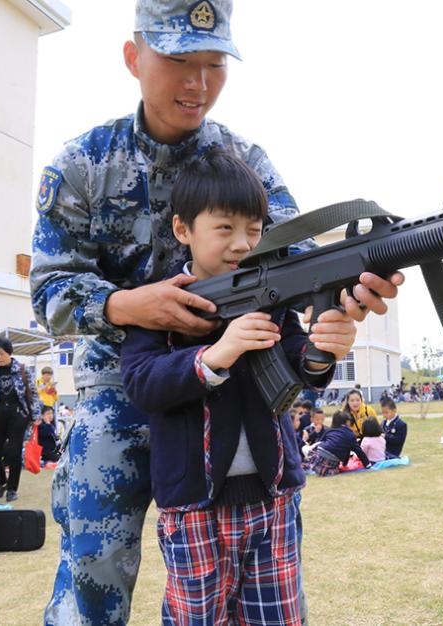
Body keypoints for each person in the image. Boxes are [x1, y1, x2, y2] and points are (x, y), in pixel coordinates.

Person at [29, 1, 402, 622]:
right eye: (179, 60)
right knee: (93, 564)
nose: (199, 82)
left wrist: (351, 289)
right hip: (123, 381)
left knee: (261, 579)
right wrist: (129, 304)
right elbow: (48, 294)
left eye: (213, 63)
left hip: (232, 391)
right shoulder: (82, 166)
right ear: (133, 57)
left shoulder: (244, 162)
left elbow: (300, 260)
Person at [121, 151, 355, 623]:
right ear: (184, 230)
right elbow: (142, 383)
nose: (242, 244)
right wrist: (211, 357)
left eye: (254, 230)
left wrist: (326, 347)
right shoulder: (159, 304)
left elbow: (298, 369)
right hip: (193, 509)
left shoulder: (273, 297)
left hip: (274, 500)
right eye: (224, 229)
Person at [0, 337, 39, 502]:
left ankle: (12, 488)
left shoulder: (22, 370)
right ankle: (2, 483)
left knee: (14, 453)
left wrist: (36, 415)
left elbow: (33, 394)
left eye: (1, 353)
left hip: (18, 416)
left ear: (9, 353)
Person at [303, 412, 370, 477]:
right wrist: (367, 464)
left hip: (319, 453)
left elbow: (321, 441)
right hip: (332, 459)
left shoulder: (330, 430)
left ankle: (308, 466)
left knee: (313, 447)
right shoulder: (350, 434)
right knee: (333, 469)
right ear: (347, 422)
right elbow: (358, 451)